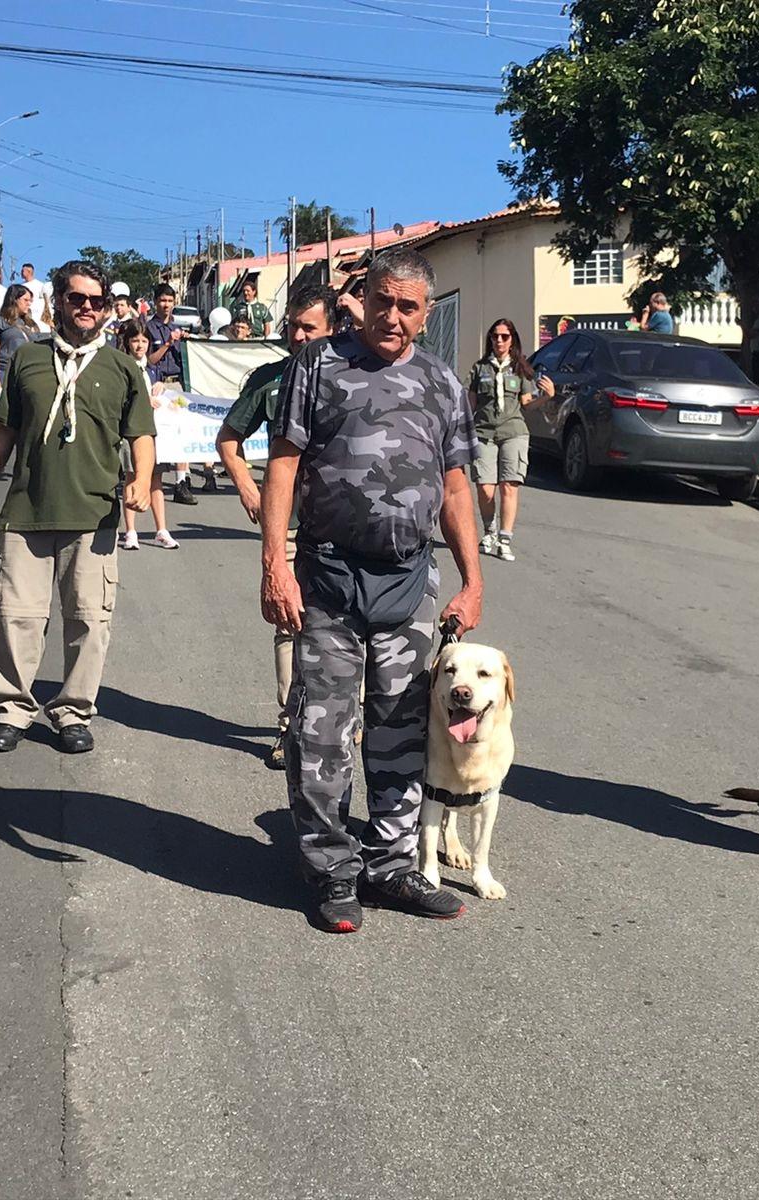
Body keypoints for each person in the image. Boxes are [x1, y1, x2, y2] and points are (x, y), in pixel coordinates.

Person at [261, 247, 482, 933]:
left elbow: (453, 488)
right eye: (382, 300)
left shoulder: (442, 382)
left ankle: (391, 864)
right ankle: (330, 868)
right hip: (327, 577)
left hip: (407, 581)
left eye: (407, 306)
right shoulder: (318, 364)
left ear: (425, 313)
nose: (392, 316)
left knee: (401, 730)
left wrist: (474, 581)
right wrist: (275, 563)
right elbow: (284, 464)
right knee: (322, 730)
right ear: (367, 297)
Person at [0, 260, 155, 755]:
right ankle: (10, 708)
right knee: (16, 615)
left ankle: (74, 710)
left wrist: (140, 479)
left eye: (97, 301)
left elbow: (142, 435)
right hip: (26, 510)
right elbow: (4, 429)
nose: (89, 308)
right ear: (59, 302)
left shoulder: (123, 367)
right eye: (78, 299)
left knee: (89, 620)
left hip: (93, 516)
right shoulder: (29, 359)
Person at [217, 283, 337, 769]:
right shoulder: (269, 379)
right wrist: (248, 485)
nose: (299, 335)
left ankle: (340, 724)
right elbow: (229, 437)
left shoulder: (354, 377)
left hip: (341, 526)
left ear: (332, 329)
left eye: (310, 327)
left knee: (345, 627)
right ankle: (289, 728)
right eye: (293, 326)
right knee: (290, 623)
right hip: (286, 524)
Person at [468, 318, 554, 562]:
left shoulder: (520, 369)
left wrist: (546, 397)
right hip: (484, 433)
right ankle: (489, 531)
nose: (499, 340)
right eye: (495, 336)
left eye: (505, 336)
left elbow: (527, 404)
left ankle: (505, 539)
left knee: (509, 486)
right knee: (485, 488)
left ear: (512, 340)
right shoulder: (479, 369)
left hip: (513, 432)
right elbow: (470, 405)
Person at [112, 318, 179, 551]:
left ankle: (162, 529)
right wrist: (142, 400)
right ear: (127, 342)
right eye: (135, 340)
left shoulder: (152, 366)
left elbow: (166, 390)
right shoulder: (122, 365)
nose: (140, 345)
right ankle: (130, 531)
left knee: (155, 480)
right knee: (132, 477)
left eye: (144, 340)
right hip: (132, 432)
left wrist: (162, 387)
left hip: (155, 432)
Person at [145, 283, 197, 505]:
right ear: (155, 302)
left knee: (181, 433)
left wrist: (187, 342)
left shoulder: (179, 327)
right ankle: (149, 478)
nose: (166, 305)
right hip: (157, 385)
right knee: (156, 435)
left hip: (176, 386)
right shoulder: (148, 328)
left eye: (169, 301)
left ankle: (181, 482)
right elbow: (150, 359)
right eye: (162, 300)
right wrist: (168, 344)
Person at [0, 282, 41, 410]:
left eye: (30, 300)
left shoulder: (30, 324)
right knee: (6, 423)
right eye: (25, 300)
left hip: (28, 375)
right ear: (14, 299)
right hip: (5, 374)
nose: (29, 303)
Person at [19, 262, 52, 329]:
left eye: (23, 271)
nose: (21, 272)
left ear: (29, 272)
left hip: (39, 319)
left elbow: (47, 302)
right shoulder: (20, 287)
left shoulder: (40, 286)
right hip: (25, 319)